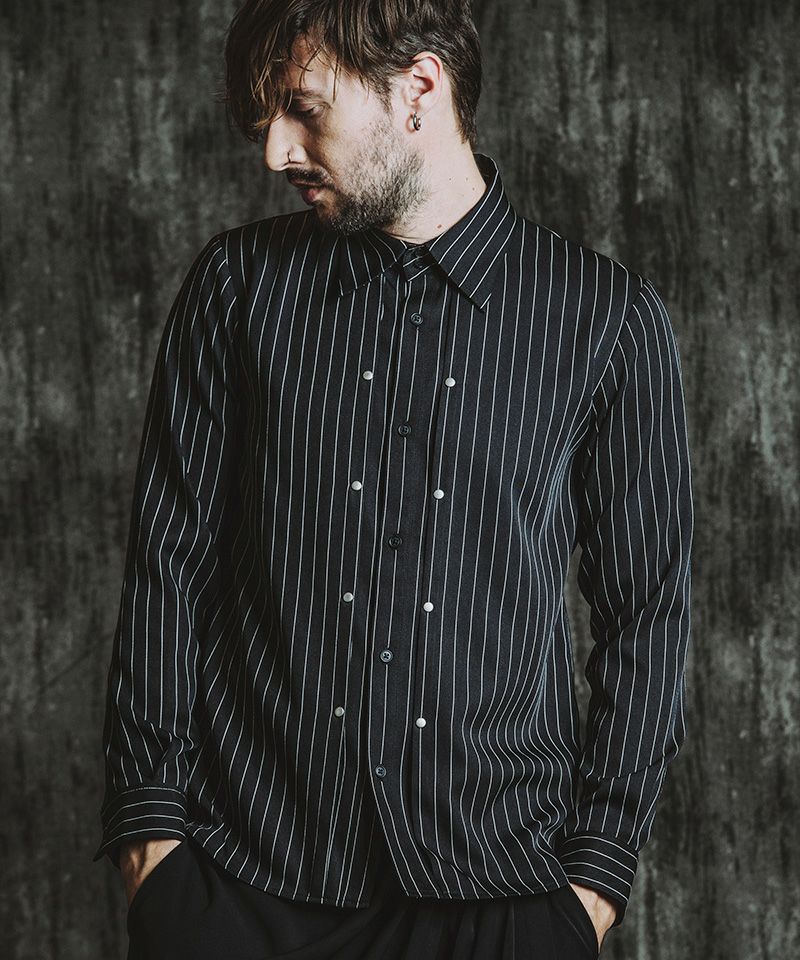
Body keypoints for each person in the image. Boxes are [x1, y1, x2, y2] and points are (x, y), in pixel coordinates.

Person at [92, 2, 694, 958]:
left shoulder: (607, 319)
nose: (277, 152)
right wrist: (149, 839)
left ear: (418, 86)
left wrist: (594, 881)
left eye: (303, 108)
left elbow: (646, 612)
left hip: (502, 893)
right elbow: (169, 559)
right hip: (242, 883)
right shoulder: (238, 287)